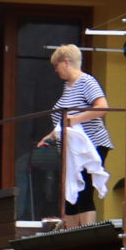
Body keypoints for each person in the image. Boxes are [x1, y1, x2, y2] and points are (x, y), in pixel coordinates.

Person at [39, 44, 113, 224]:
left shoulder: (86, 81)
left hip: (90, 145)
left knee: (83, 192)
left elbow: (102, 107)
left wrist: (75, 119)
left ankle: (85, 233)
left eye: (56, 65)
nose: (56, 70)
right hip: (71, 150)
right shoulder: (68, 86)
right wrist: (50, 136)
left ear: (65, 62)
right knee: (71, 195)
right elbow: (65, 120)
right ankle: (72, 235)